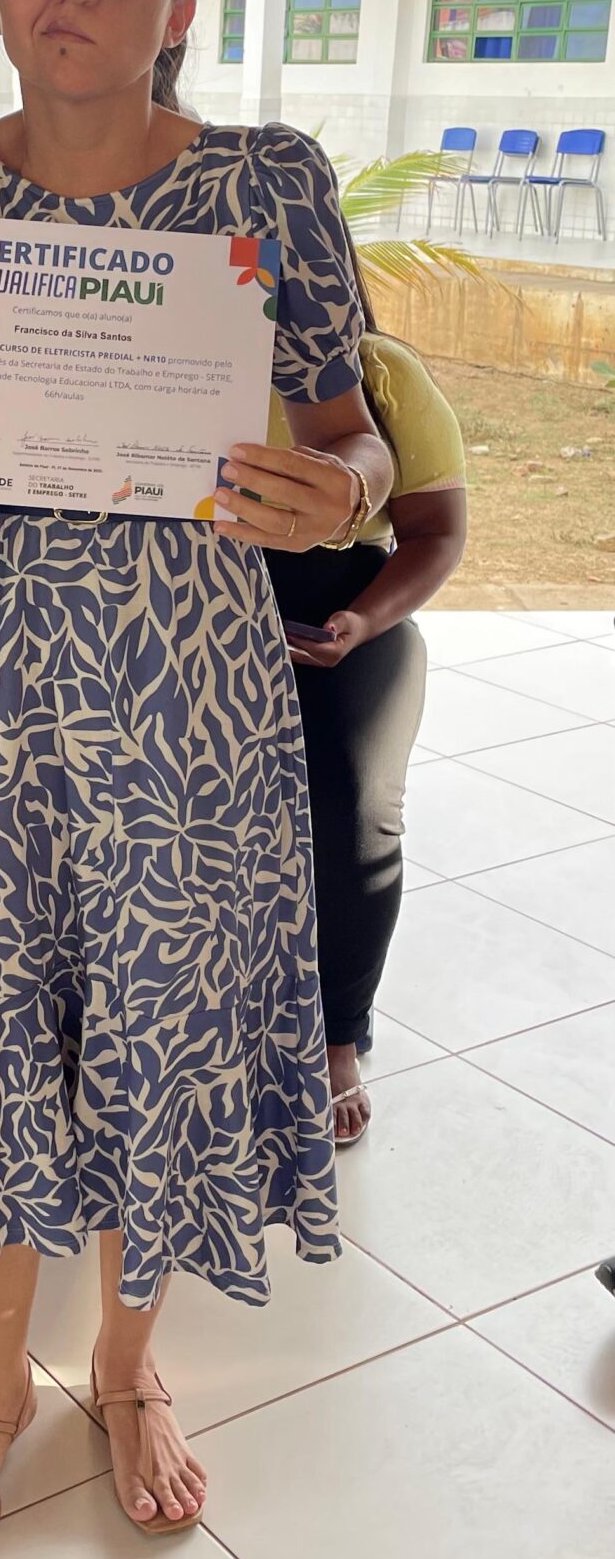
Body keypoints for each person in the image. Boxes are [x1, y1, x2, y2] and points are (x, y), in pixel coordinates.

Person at [0, 0, 393, 1559]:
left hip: (198, 697)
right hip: (6, 685)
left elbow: (355, 439)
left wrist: (343, 493)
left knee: (162, 1031)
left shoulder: (266, 183)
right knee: (0, 1023)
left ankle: (125, 1361)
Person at [265, 260, 467, 1145]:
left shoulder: (378, 373)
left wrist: (359, 622)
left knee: (353, 804)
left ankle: (336, 1035)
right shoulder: (151, 355)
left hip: (343, 613)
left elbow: (437, 530)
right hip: (187, 614)